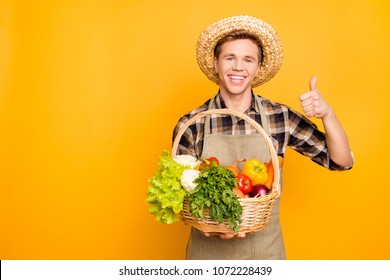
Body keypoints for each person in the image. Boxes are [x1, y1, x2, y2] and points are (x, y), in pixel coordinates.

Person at [172, 15, 354, 260]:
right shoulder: (192, 124)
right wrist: (212, 227)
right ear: (216, 63)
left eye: (248, 59)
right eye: (230, 58)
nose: (238, 67)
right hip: (207, 258)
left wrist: (327, 114)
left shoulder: (280, 118)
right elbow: (180, 196)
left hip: (266, 257)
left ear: (257, 67)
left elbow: (341, 161)